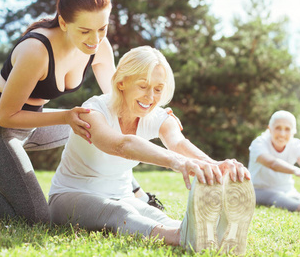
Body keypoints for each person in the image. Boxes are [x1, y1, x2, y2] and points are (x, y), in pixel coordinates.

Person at [0, 0, 160, 223]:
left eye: (102, 29)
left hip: (35, 124)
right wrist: (65, 117)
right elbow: (5, 116)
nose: (95, 40)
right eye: (85, 31)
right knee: (36, 218)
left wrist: (158, 115)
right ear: (63, 22)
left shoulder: (99, 48)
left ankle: (136, 193)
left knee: (96, 122)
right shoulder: (36, 51)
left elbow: (117, 101)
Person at [48, 46, 256, 254]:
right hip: (69, 196)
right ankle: (180, 238)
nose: (150, 97)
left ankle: (212, 234)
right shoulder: (92, 112)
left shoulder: (156, 115)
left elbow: (178, 143)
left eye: (158, 89)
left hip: (122, 195)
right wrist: (178, 162)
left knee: (157, 216)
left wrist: (215, 165)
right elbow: (121, 145)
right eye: (143, 86)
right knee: (120, 212)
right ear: (121, 82)